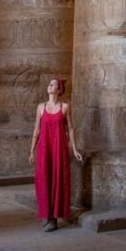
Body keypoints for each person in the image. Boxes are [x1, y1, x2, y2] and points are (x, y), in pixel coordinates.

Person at [29, 78, 82, 231]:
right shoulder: (41, 107)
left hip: (60, 148)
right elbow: (36, 130)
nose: (49, 86)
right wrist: (31, 151)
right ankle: (46, 214)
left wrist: (74, 149)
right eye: (49, 84)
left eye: (53, 85)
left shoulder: (65, 107)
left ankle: (54, 218)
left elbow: (70, 129)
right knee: (43, 179)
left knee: (58, 180)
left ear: (59, 90)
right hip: (44, 148)